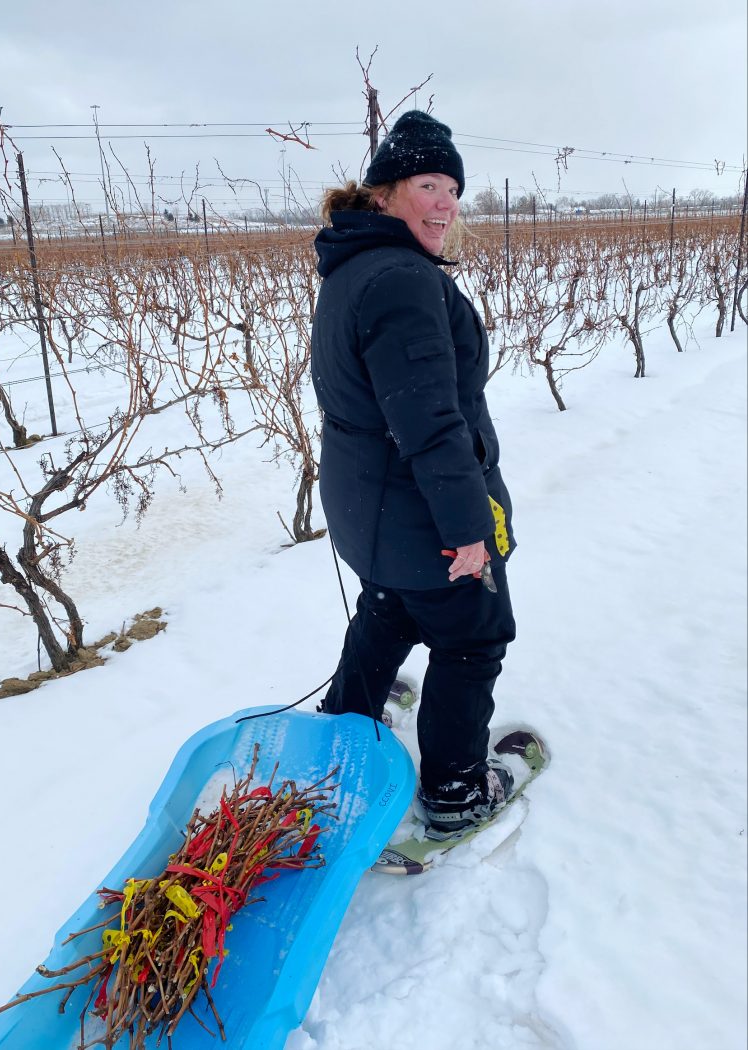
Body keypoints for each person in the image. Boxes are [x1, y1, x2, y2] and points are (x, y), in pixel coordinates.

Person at [310, 110, 518, 834]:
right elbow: (429, 422)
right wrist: (469, 532)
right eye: (427, 184)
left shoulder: (353, 263)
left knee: (390, 603)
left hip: (371, 509)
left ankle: (343, 725)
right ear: (385, 193)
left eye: (452, 189)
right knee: (473, 635)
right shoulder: (401, 279)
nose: (444, 204)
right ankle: (456, 792)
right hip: (418, 511)